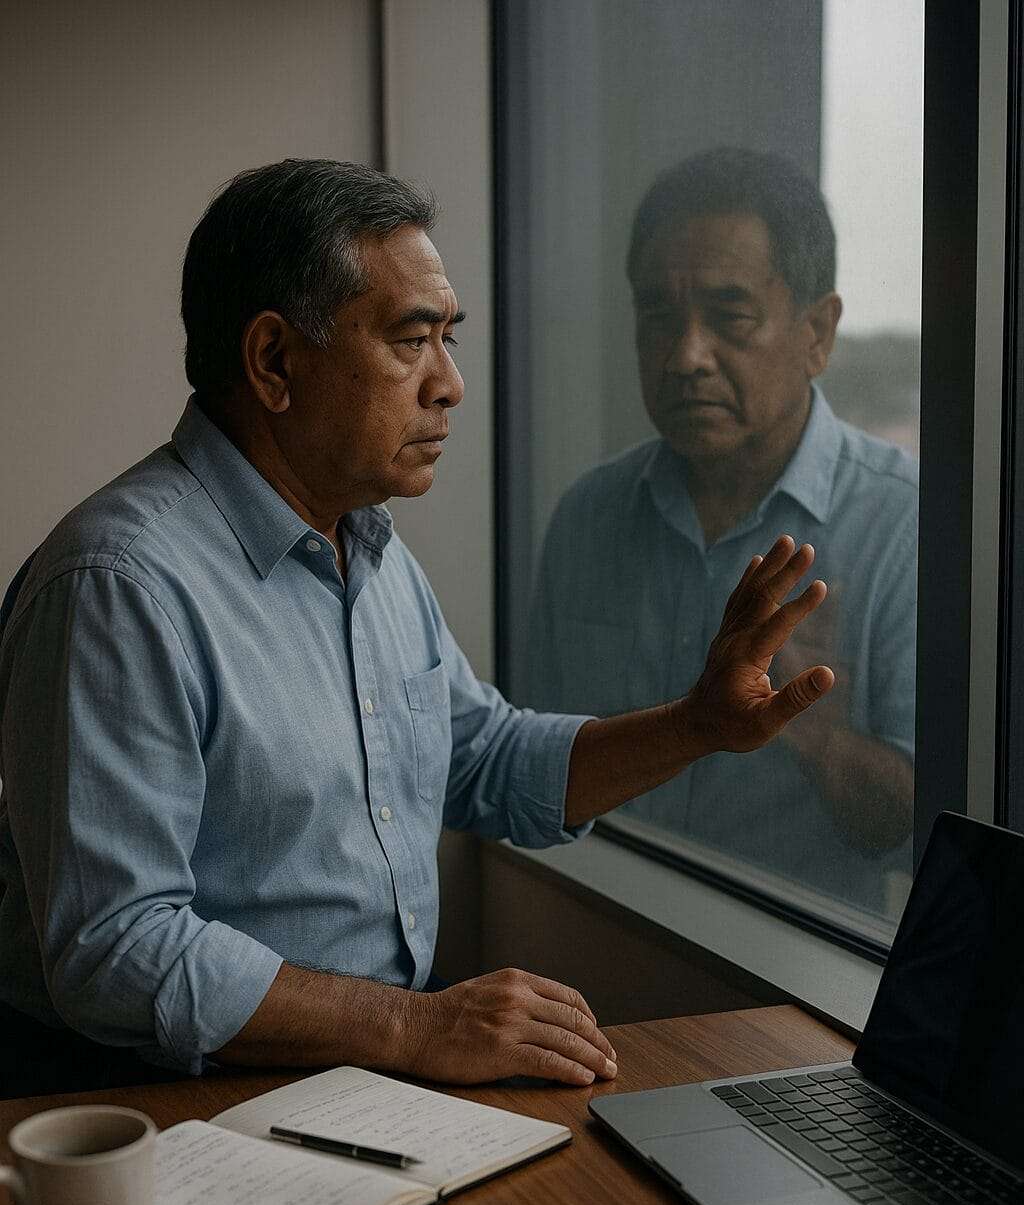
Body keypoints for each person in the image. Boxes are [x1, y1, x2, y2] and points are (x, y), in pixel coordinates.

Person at [0, 159, 833, 1095]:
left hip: (370, 1069)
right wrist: (415, 1025)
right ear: (274, 361)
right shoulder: (117, 586)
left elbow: (484, 760)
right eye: (411, 341)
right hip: (166, 1099)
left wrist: (700, 727)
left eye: (449, 338)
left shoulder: (369, 549)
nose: (451, 386)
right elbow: (115, 950)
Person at [529, 147, 917, 914]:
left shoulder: (907, 527)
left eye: (730, 318)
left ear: (818, 332)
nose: (686, 357)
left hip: (789, 980)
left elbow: (926, 838)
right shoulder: (588, 516)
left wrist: (813, 734)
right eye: (658, 317)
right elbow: (534, 773)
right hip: (593, 941)